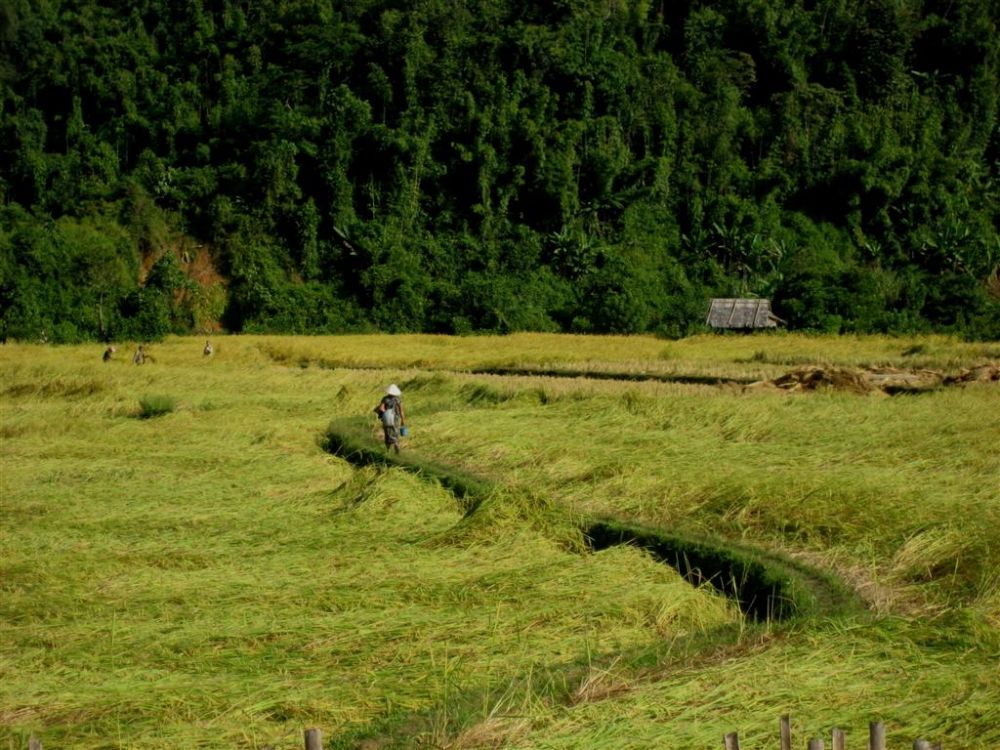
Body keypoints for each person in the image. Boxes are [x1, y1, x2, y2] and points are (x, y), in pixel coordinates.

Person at [374, 384, 406, 453]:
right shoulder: (398, 400)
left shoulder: (385, 399)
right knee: (395, 432)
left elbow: (381, 408)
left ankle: (388, 450)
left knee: (387, 433)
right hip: (396, 419)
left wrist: (386, 413)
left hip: (387, 419)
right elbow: (401, 411)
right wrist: (403, 421)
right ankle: (396, 444)